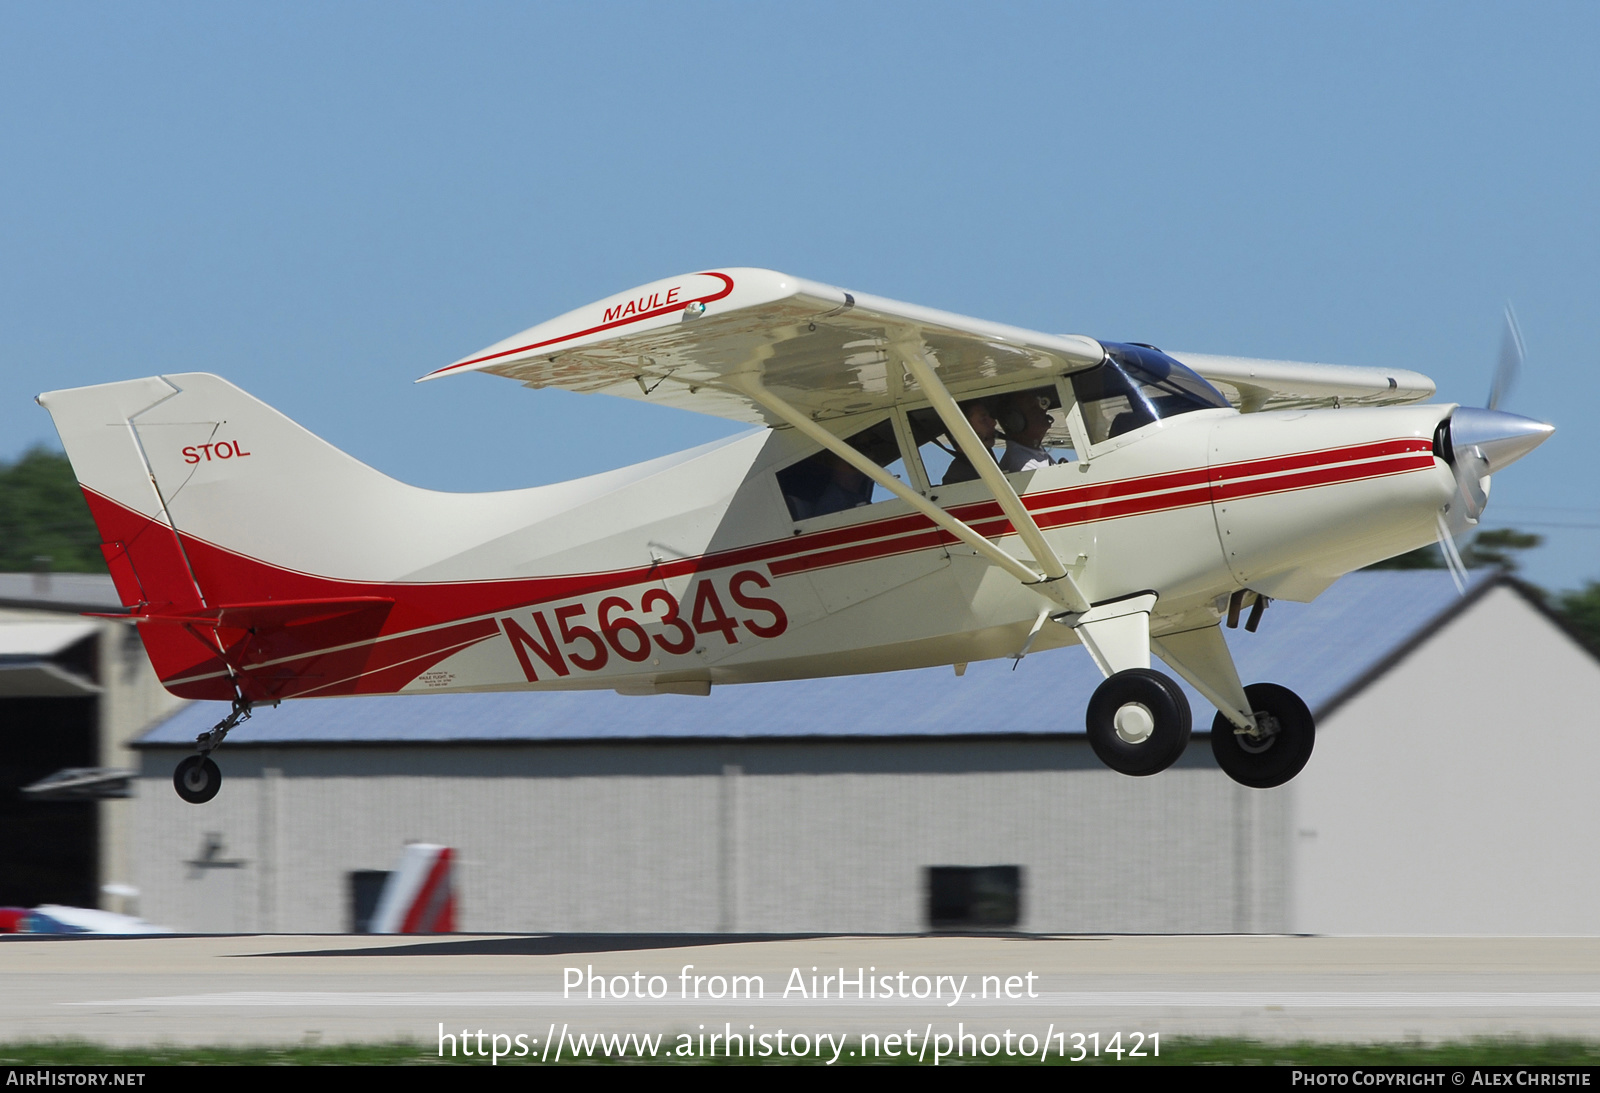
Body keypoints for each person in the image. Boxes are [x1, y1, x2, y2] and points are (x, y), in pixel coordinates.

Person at [941, 399, 999, 485]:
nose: (993, 422)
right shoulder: (958, 478)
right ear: (963, 430)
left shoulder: (982, 459)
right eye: (983, 420)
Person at [999, 392, 1058, 473]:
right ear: (1016, 422)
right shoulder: (1021, 463)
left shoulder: (1032, 452)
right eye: (1034, 408)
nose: (1043, 410)